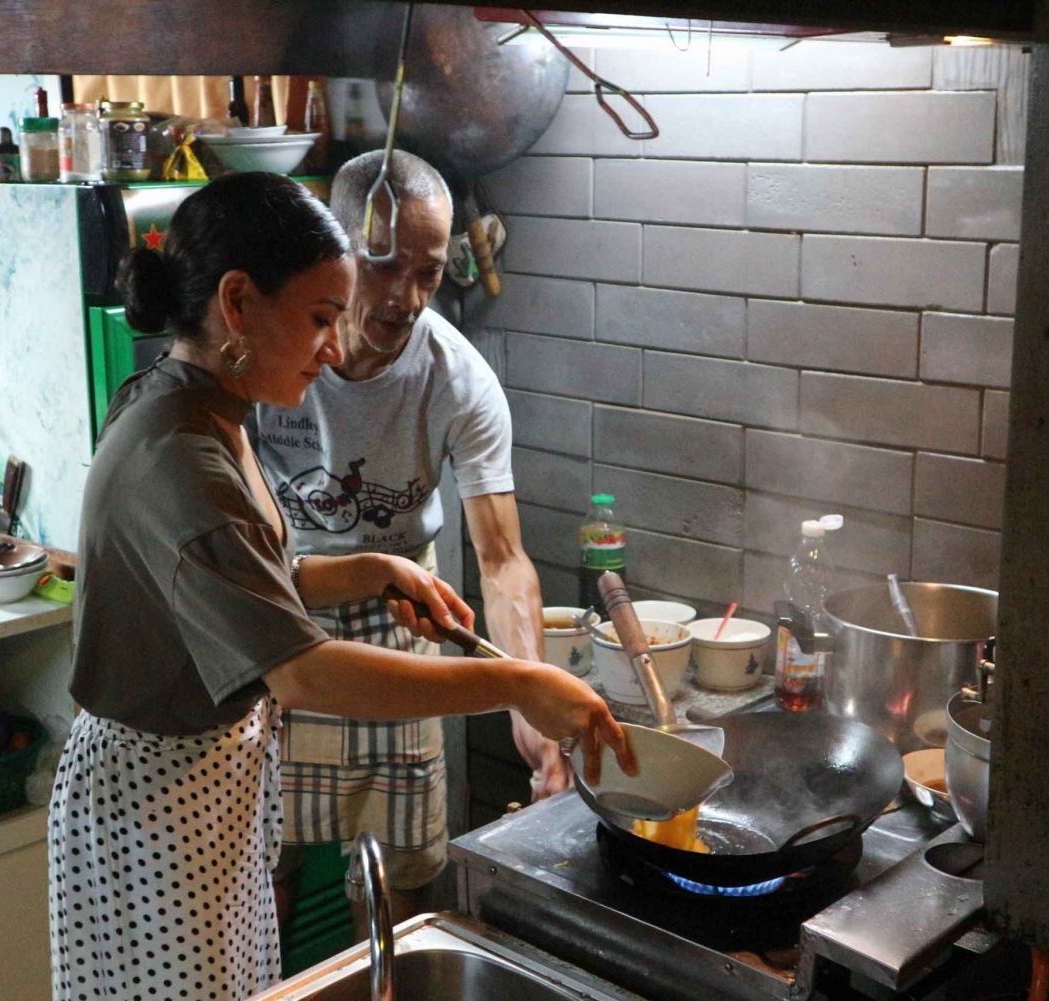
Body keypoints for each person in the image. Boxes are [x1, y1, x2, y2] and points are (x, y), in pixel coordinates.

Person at [49, 172, 632, 1001]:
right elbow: (306, 672)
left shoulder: (204, 402)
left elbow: (249, 576)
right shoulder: (182, 454)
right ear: (239, 302)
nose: (333, 346)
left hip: (205, 787)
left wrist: (372, 567)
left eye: (429, 274)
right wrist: (518, 679)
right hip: (159, 808)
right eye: (322, 317)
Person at [250, 149, 569, 925]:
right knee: (262, 867)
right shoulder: (272, 354)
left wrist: (530, 700)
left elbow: (501, 558)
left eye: (428, 272)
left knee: (405, 879)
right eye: (383, 265)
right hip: (276, 609)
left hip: (401, 620)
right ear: (337, 250)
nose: (405, 297)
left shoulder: (457, 378)